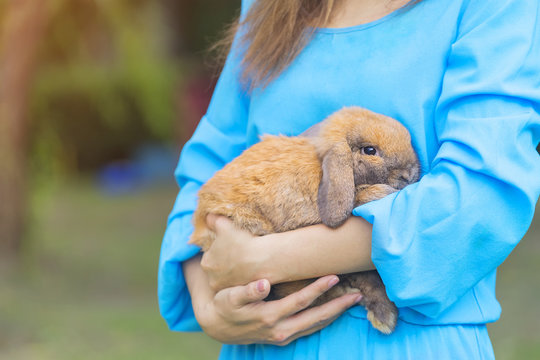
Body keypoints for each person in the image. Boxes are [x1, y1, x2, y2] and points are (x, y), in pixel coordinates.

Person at [158, 0, 540, 358]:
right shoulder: (265, 6)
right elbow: (206, 168)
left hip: (406, 343)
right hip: (264, 343)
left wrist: (263, 259)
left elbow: (482, 193)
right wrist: (210, 306)